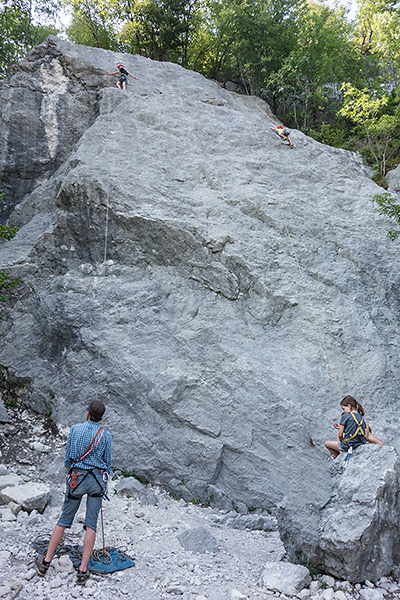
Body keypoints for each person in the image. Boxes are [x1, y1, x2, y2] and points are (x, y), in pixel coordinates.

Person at [35, 400, 112, 586]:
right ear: (101, 417)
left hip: (77, 480)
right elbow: (107, 463)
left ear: (87, 413)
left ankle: (45, 563)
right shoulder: (106, 435)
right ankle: (83, 570)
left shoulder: (76, 430)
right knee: (91, 524)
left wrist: (71, 473)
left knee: (64, 520)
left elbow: (68, 457)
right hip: (96, 482)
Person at [325, 395, 383, 459]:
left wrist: (340, 434)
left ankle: (338, 456)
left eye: (343, 409)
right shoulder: (361, 418)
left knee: (327, 444)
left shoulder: (346, 416)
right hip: (359, 444)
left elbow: (340, 434)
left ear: (349, 406)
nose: (343, 411)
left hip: (348, 445)